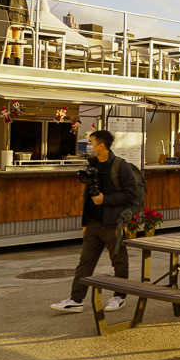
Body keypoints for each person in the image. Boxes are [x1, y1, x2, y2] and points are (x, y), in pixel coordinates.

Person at [51, 129, 139, 313]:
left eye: (91, 142)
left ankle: (119, 297)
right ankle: (76, 300)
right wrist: (85, 223)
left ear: (102, 145)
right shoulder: (91, 164)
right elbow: (87, 196)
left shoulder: (120, 166)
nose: (88, 145)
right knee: (85, 262)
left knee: (119, 261)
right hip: (93, 222)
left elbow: (132, 194)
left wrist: (105, 200)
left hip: (113, 223)